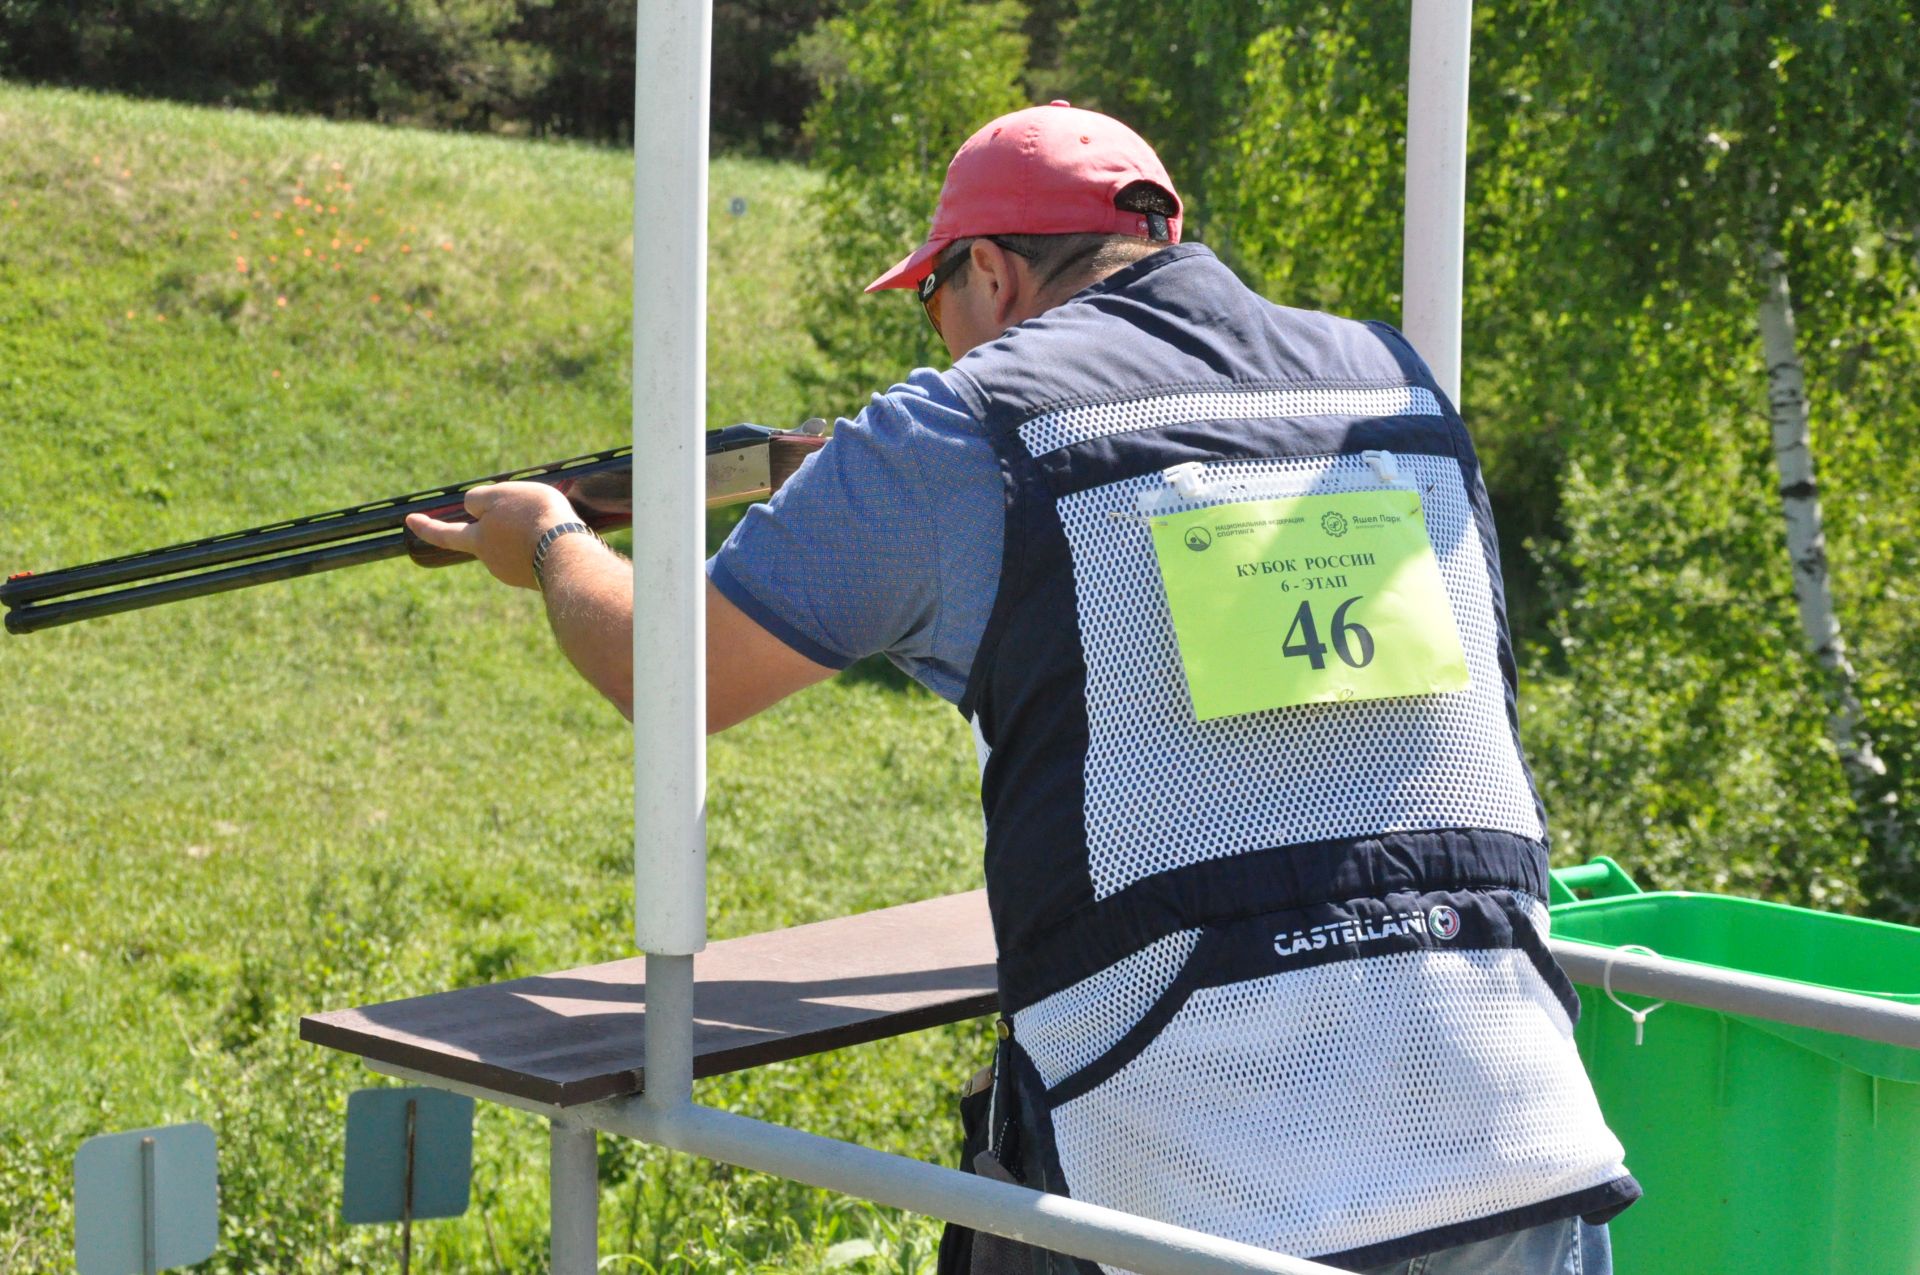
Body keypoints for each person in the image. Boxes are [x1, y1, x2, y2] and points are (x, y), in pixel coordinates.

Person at [408, 102, 1638, 1274]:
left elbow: (662, 673)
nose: (937, 335)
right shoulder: (1394, 381)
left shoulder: (959, 430)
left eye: (933, 298)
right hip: (1508, 1118)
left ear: (989, 272)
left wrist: (553, 542)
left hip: (1208, 1172)